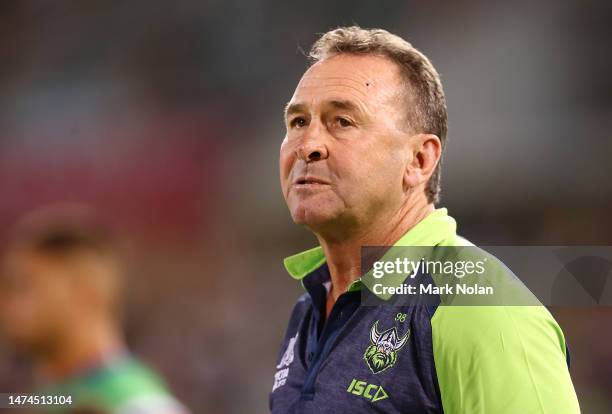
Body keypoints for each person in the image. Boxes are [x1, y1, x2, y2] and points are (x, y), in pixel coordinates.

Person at [270, 26, 580, 413]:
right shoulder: (311, 305)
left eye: (342, 122)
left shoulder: (479, 309)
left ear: (419, 161)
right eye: (298, 122)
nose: (308, 145)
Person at [0, 205, 189, 414]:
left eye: (24, 286)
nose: (7, 303)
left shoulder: (137, 404)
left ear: (86, 291)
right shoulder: (50, 396)